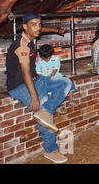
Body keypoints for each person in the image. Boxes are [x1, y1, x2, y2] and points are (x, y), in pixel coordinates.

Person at [6, 12, 71, 163]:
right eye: (33, 25)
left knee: (66, 82)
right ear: (24, 27)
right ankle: (51, 150)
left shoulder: (31, 36)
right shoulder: (22, 45)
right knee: (41, 107)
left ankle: (45, 111)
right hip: (20, 85)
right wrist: (34, 96)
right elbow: (25, 72)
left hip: (36, 79)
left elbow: (41, 29)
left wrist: (57, 30)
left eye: (39, 24)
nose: (38, 28)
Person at [36, 44, 76, 114]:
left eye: (47, 58)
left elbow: (55, 70)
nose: (46, 60)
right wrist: (44, 79)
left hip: (56, 76)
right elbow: (38, 72)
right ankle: (57, 106)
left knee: (70, 83)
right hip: (45, 79)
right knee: (51, 91)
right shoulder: (39, 62)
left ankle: (70, 100)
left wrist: (51, 78)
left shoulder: (55, 59)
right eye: (44, 58)